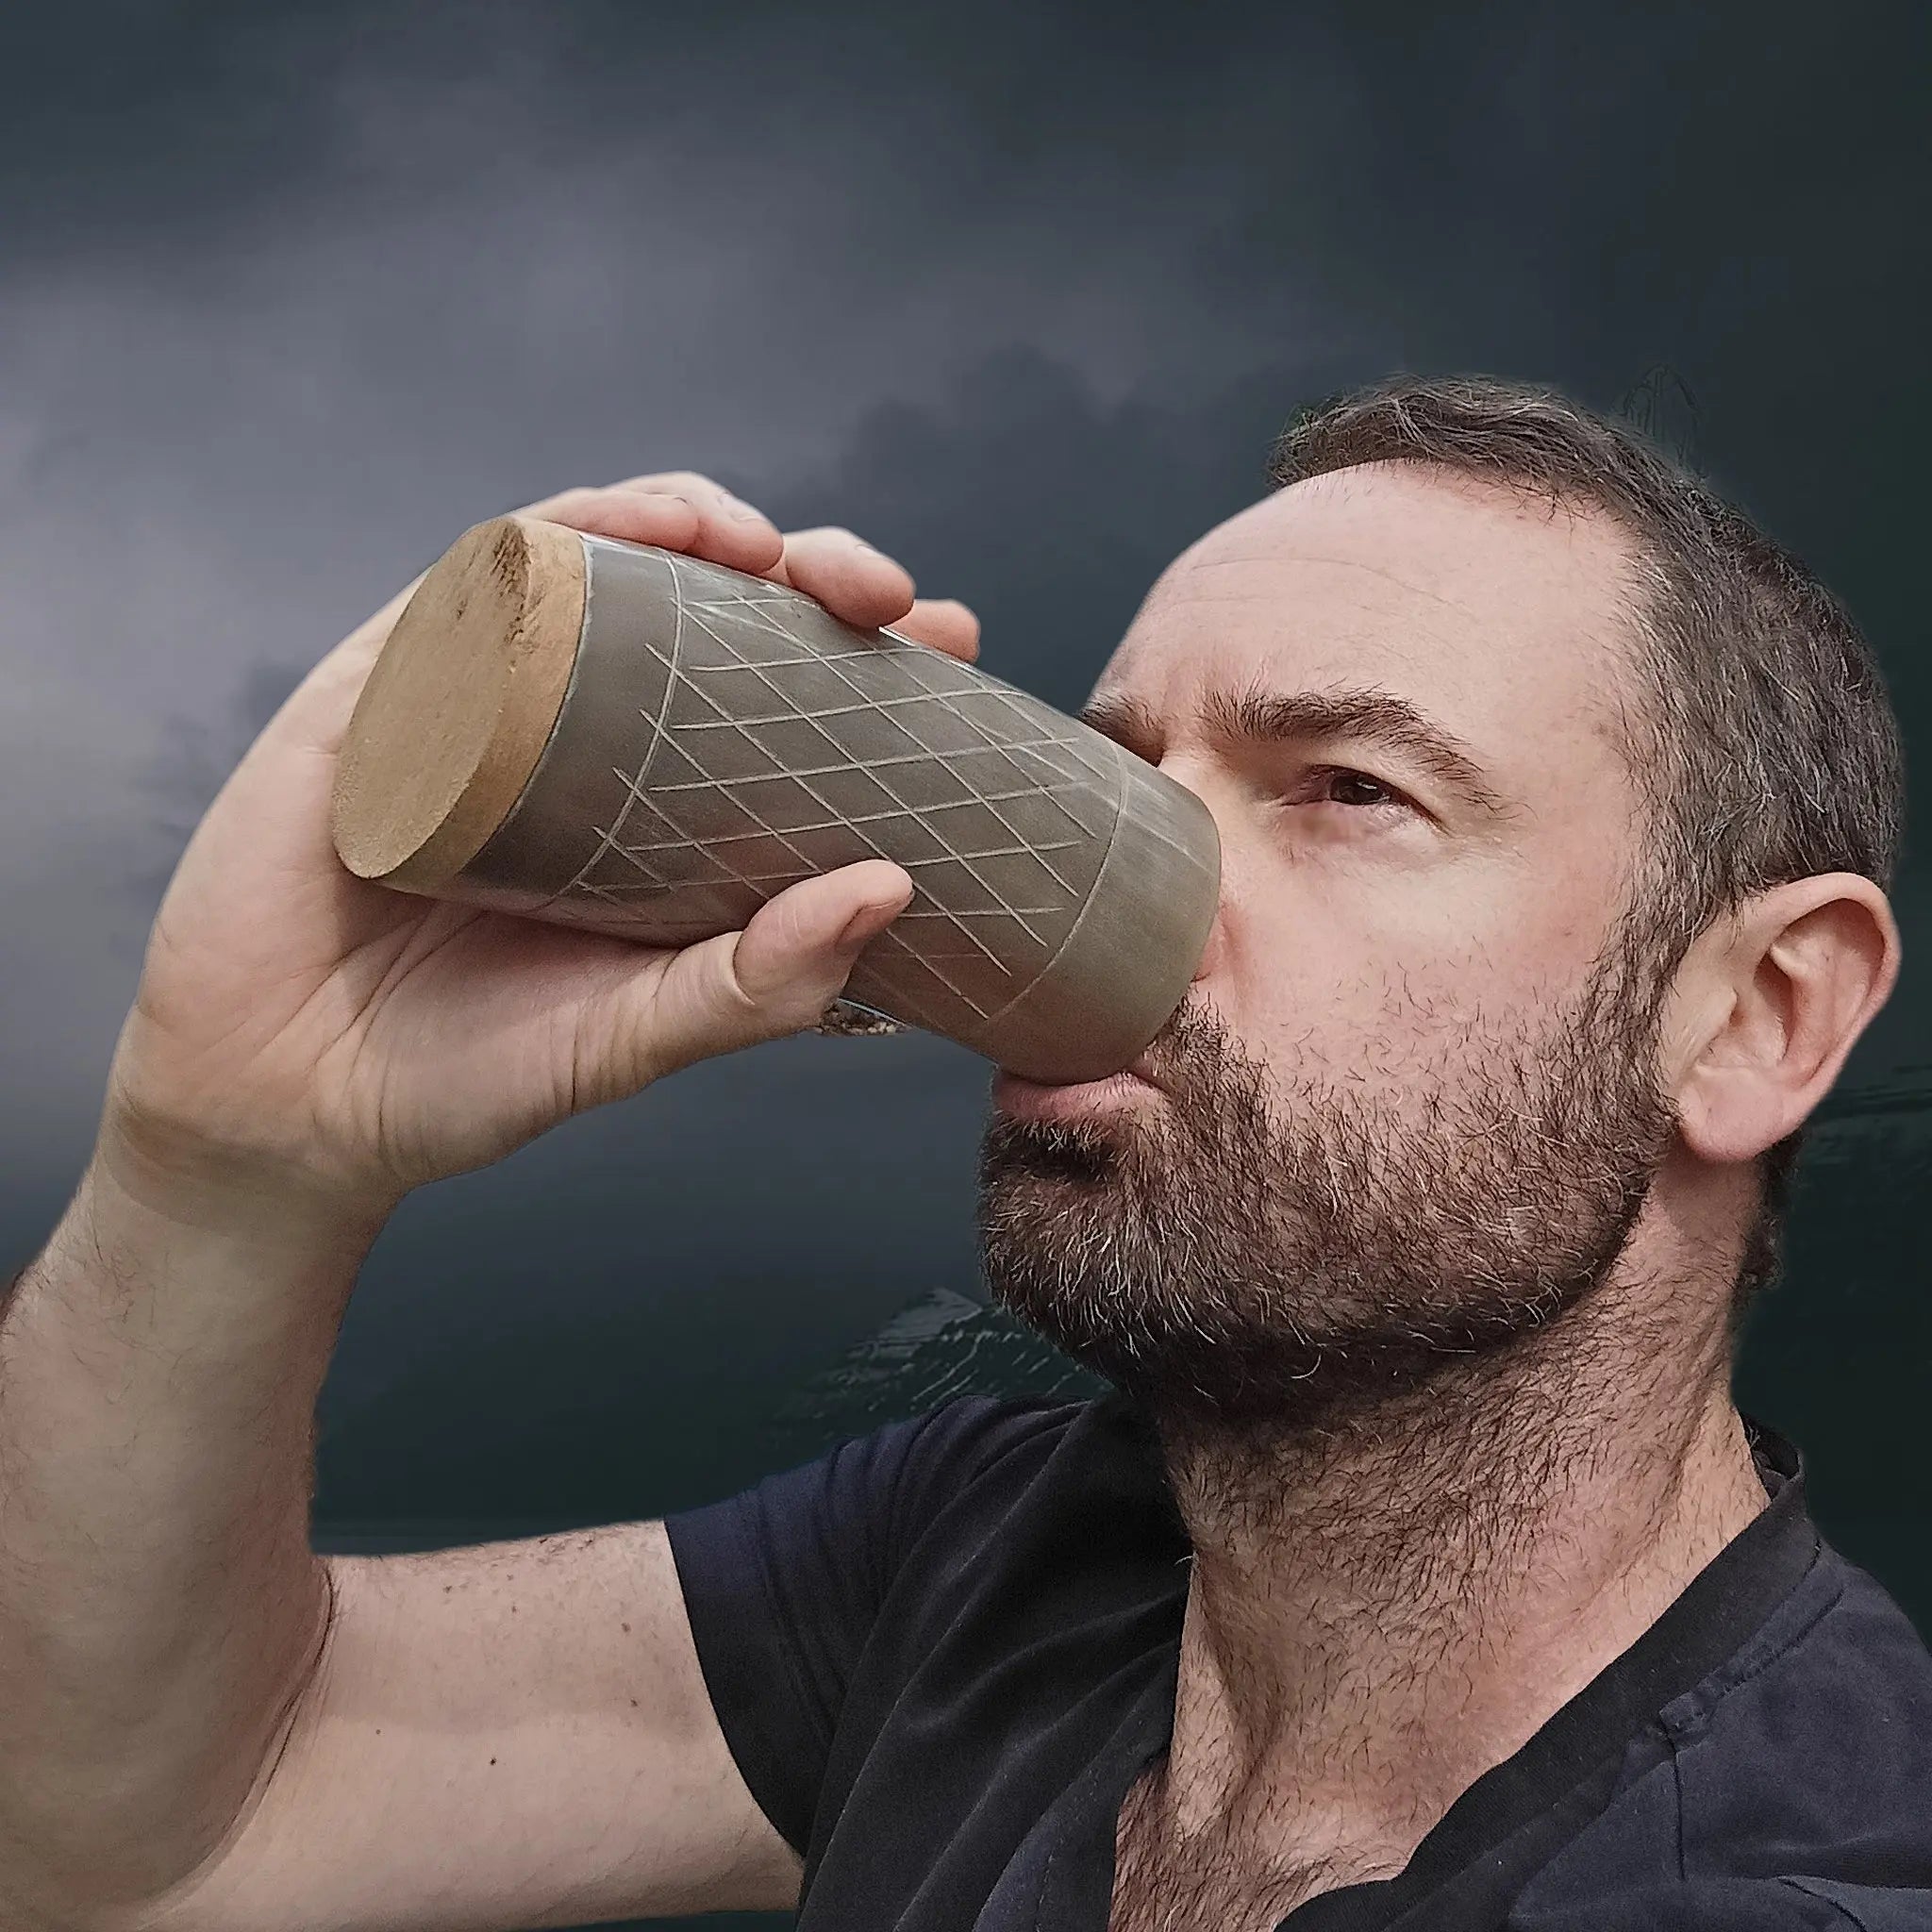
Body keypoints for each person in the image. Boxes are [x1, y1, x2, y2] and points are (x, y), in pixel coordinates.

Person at [2, 376, 1926, 1932]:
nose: (1124, 919)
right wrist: (220, 1157)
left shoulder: (1794, 1884)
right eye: (1110, 785)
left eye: (1350, 789)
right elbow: (141, 1836)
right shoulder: (993, 1558)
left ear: (1757, 1016)